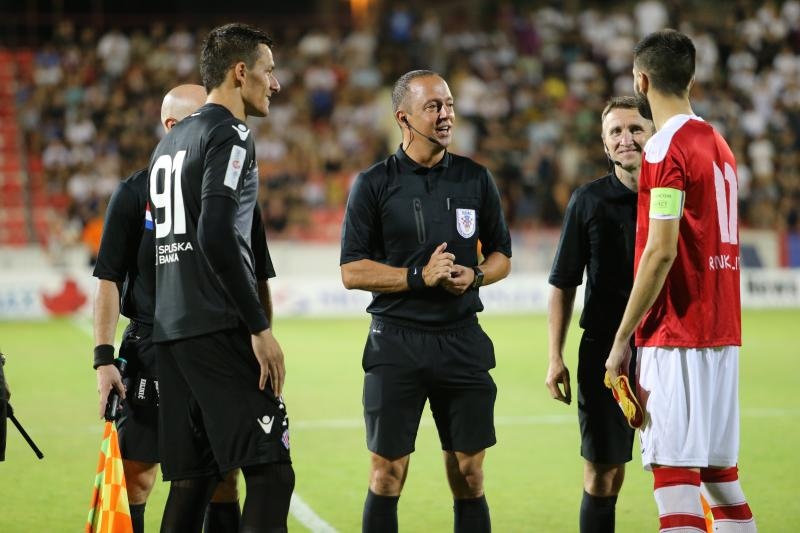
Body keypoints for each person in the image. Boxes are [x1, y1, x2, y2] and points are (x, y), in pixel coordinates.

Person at [340, 69, 512, 533]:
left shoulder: (475, 178)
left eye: (449, 104)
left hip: (462, 340)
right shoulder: (374, 183)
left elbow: (502, 256)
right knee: (386, 474)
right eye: (433, 106)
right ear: (403, 117)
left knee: (470, 475)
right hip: (396, 342)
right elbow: (352, 271)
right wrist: (419, 276)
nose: (446, 114)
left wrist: (475, 275)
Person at [605, 29, 757, 532]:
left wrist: (622, 339)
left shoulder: (663, 149)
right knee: (720, 480)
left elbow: (661, 251)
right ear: (691, 78)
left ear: (641, 80)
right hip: (722, 335)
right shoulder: (719, 143)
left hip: (676, 335)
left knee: (674, 481)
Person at [147, 23, 293, 533]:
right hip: (217, 327)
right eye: (269, 71)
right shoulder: (231, 133)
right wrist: (259, 327)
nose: (275, 83)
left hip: (171, 333)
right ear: (240, 72)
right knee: (272, 472)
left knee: (193, 482)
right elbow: (215, 232)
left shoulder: (169, 143)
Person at [93, 84, 258, 533]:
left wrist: (257, 336)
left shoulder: (228, 190)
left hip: (216, 344)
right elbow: (108, 278)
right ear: (172, 127)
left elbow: (256, 272)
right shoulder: (134, 192)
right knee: (137, 477)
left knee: (223, 477)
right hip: (151, 347)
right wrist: (104, 358)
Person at [546, 96, 653, 533]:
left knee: (683, 465)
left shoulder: (674, 197)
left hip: (667, 346)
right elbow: (563, 282)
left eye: (635, 129)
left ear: (653, 134)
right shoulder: (587, 201)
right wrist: (555, 356)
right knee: (604, 474)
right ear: (605, 144)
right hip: (604, 355)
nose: (626, 139)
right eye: (616, 132)